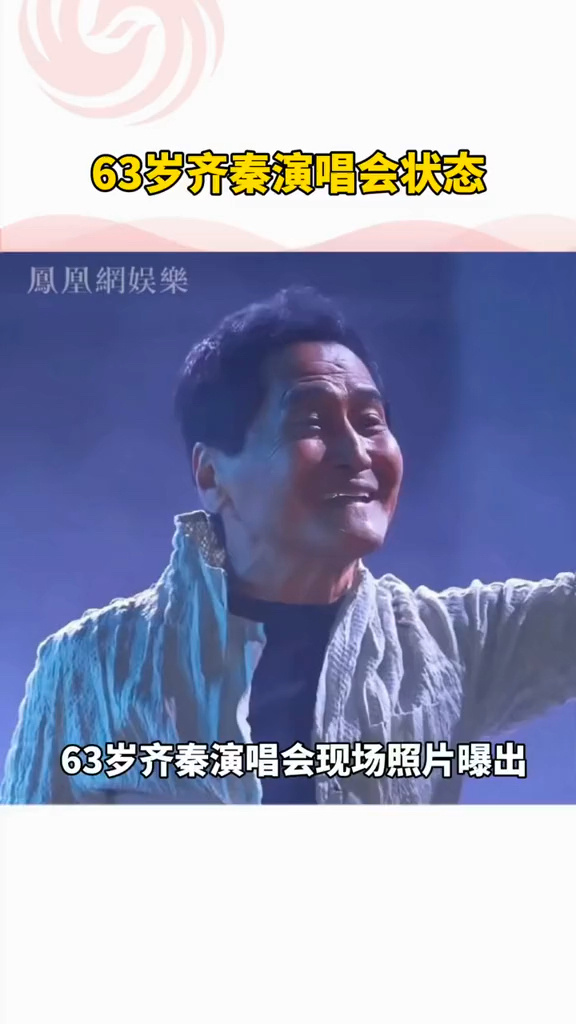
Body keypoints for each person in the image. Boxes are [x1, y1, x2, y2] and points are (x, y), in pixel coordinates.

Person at [2, 286, 575, 804]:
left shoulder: (447, 645)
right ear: (211, 475)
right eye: (312, 424)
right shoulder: (94, 667)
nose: (358, 452)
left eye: (370, 420)